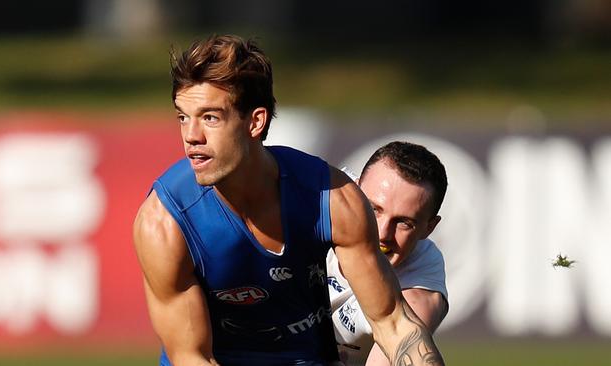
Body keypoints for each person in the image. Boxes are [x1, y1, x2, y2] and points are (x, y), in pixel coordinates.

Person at [133, 34, 444, 366]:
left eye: (210, 117)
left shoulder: (331, 199)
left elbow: (395, 326)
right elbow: (192, 358)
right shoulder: (165, 222)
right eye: (183, 116)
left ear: (255, 121)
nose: (191, 136)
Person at [327, 141, 449, 366]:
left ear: (429, 228)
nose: (382, 233)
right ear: (353, 190)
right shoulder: (314, 201)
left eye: (404, 222)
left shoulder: (418, 288)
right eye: (374, 209)